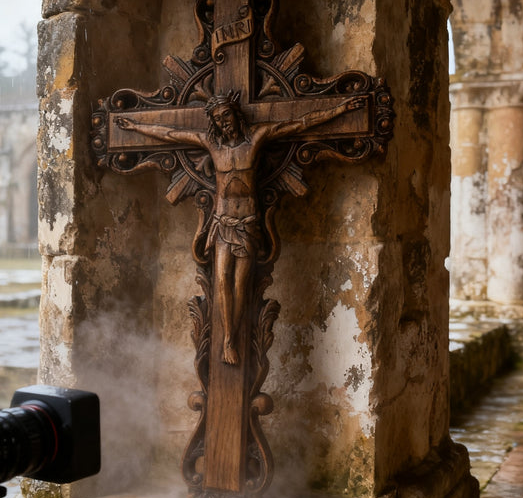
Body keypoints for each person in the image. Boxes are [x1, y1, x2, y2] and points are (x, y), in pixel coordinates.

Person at [116, 90, 366, 365]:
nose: (224, 122)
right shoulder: (212, 145)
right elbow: (171, 134)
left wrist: (340, 110)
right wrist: (135, 126)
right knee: (222, 279)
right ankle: (228, 340)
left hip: (247, 224)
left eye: (227, 115)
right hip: (222, 223)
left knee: (240, 283)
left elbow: (300, 124)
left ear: (236, 115)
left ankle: (233, 336)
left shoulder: (256, 139)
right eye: (218, 119)